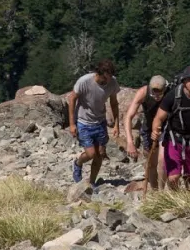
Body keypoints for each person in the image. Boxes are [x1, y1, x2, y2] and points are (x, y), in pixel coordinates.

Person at [68, 59, 120, 188]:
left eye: (109, 78)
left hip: (100, 121)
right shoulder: (84, 81)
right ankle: (78, 163)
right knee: (91, 153)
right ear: (98, 73)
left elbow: (113, 102)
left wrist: (116, 124)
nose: (107, 81)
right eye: (105, 78)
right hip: (83, 122)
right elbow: (72, 98)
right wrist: (72, 123)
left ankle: (92, 182)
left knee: (100, 153)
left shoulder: (112, 82)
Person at [124, 75, 168, 194]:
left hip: (166, 127)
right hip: (148, 128)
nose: (157, 96)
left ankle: (162, 190)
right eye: (154, 92)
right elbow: (128, 117)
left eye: (160, 92)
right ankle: (155, 192)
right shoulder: (143, 92)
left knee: (163, 159)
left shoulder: (171, 93)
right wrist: (129, 142)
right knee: (151, 163)